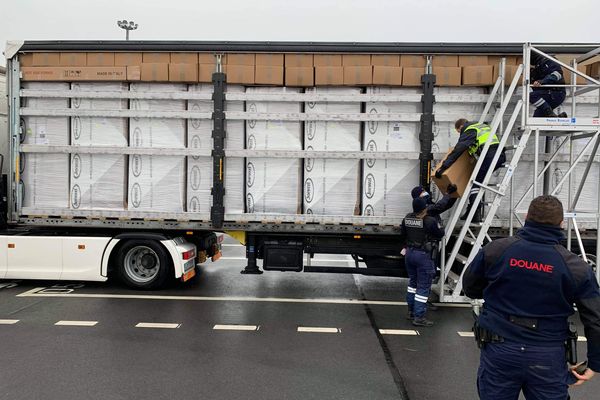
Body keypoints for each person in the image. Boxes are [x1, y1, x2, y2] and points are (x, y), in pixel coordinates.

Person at [463, 195, 599, 399]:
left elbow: (471, 288)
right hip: (547, 356)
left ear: (527, 217)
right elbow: (595, 320)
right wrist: (595, 362)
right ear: (561, 224)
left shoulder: (496, 250)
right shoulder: (576, 267)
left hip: (500, 348)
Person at [434, 119, 506, 223]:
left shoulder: (470, 130)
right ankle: (472, 211)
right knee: (478, 180)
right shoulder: (482, 126)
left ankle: (474, 213)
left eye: (459, 131)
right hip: (498, 155)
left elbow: (458, 150)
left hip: (490, 156)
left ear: (462, 126)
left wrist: (443, 167)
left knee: (475, 183)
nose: (460, 134)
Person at [410, 183, 458, 310]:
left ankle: (413, 307)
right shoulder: (427, 211)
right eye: (423, 192)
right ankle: (420, 309)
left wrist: (452, 196)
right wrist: (448, 194)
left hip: (415, 251)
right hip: (426, 251)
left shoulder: (411, 216)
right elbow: (440, 206)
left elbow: (444, 206)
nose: (426, 193)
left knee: (416, 281)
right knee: (425, 279)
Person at [401, 196, 445, 327]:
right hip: (423, 255)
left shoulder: (407, 218)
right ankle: (419, 317)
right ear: (425, 208)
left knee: (412, 284)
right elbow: (440, 234)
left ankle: (411, 312)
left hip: (409, 253)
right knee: (423, 286)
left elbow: (402, 234)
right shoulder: (429, 221)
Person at [530, 52, 568, 118]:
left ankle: (551, 115)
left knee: (532, 96)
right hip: (548, 94)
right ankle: (557, 118)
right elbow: (536, 86)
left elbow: (557, 74)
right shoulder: (537, 67)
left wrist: (542, 81)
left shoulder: (549, 61)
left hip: (556, 93)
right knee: (537, 116)